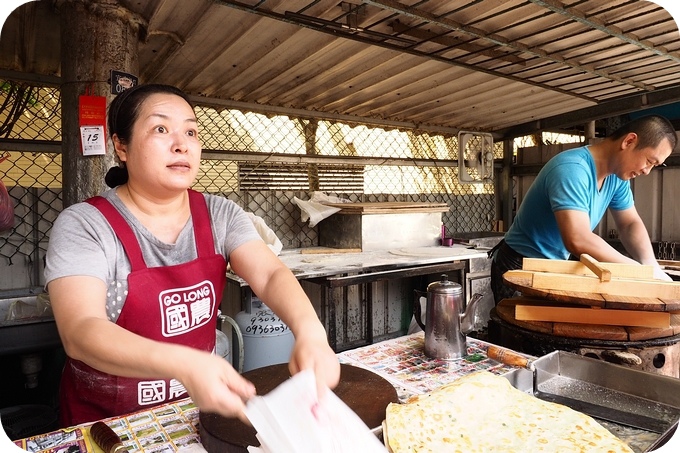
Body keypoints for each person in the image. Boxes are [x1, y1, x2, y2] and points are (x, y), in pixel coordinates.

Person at [44, 84, 340, 427]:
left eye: (190, 130)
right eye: (160, 129)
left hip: (194, 415)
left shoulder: (221, 214)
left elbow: (271, 274)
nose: (181, 143)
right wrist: (185, 364)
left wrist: (310, 332)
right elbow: (80, 330)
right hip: (107, 424)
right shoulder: (85, 224)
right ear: (120, 146)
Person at [491, 115, 676, 304]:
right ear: (629, 141)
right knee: (522, 330)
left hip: (555, 265)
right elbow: (577, 238)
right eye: (649, 161)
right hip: (519, 264)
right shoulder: (572, 169)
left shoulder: (617, 178)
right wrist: (637, 271)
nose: (647, 171)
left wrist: (651, 266)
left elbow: (629, 223)